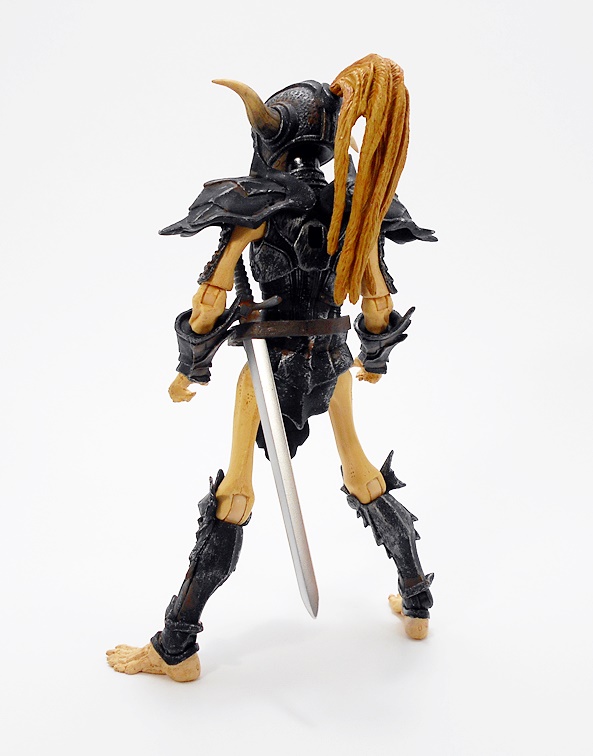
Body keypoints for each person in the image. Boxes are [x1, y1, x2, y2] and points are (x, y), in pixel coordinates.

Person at [107, 54, 436, 682]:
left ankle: (176, 647)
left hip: (267, 367)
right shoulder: (356, 205)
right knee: (362, 471)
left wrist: (190, 369)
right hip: (334, 361)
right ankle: (417, 603)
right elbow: (376, 299)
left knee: (234, 491)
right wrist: (372, 360)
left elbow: (210, 299)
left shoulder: (255, 203)